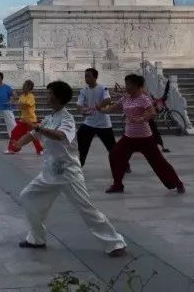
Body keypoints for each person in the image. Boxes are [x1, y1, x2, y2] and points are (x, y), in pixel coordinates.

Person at [14, 80, 126, 257]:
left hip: (68, 174)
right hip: (49, 173)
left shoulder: (67, 119)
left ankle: (115, 243)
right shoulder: (50, 118)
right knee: (27, 197)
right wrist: (19, 143)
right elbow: (33, 134)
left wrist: (39, 128)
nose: (47, 97)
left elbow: (60, 136)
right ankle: (37, 238)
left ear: (58, 98)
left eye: (50, 94)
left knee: (86, 209)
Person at [101, 74, 184, 195]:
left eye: (129, 84)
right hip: (128, 138)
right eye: (126, 83)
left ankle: (178, 183)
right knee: (114, 155)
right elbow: (112, 108)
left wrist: (141, 119)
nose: (127, 86)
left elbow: (152, 112)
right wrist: (97, 109)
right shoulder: (125, 98)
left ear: (136, 85)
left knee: (159, 162)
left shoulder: (143, 98)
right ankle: (117, 185)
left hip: (145, 139)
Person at [75, 68, 127, 170]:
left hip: (103, 123)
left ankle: (124, 164)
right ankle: (80, 162)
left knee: (112, 147)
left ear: (95, 77)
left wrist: (98, 106)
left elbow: (108, 99)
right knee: (81, 138)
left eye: (88, 76)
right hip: (89, 123)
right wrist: (82, 111)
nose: (86, 78)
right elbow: (79, 104)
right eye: (85, 76)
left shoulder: (103, 88)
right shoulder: (83, 90)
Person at [6, 80, 43, 155]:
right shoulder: (22, 96)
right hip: (23, 120)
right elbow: (20, 107)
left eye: (25, 85)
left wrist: (17, 103)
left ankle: (40, 150)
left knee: (33, 135)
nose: (23, 87)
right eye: (23, 85)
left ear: (29, 87)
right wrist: (17, 104)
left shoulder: (31, 96)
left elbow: (26, 105)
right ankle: (12, 149)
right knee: (14, 132)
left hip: (31, 120)